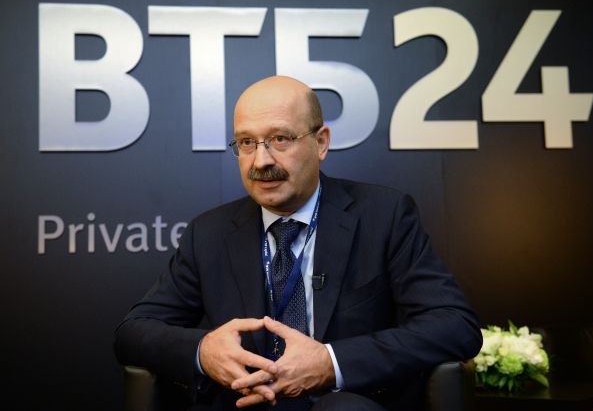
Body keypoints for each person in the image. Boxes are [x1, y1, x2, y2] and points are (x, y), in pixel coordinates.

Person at [114, 76, 482, 410]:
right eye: (246, 142)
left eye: (280, 139)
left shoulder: (384, 215)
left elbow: (454, 325)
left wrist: (331, 363)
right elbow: (133, 331)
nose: (261, 161)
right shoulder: (208, 233)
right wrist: (203, 350)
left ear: (320, 143)